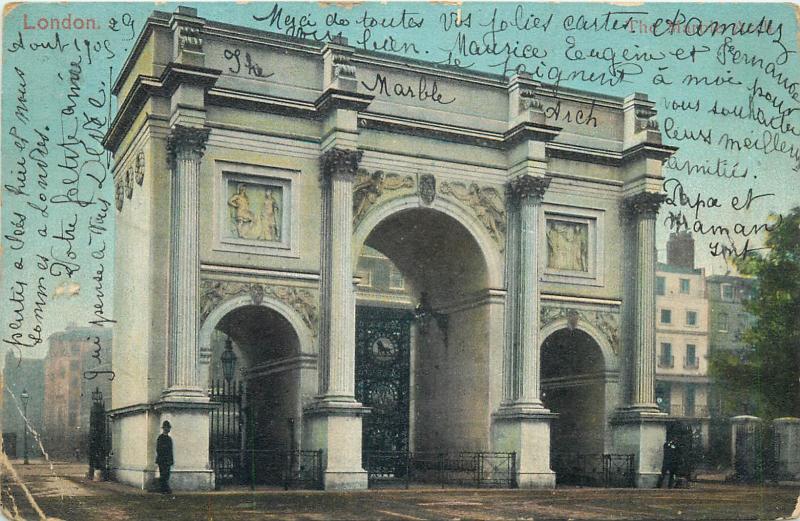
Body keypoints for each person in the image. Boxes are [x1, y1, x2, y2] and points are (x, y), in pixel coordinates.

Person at [155, 420, 174, 494]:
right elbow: (158, 449)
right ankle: (164, 489)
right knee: (163, 474)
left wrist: (171, 460)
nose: (168, 429)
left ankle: (165, 488)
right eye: (167, 428)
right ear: (164, 428)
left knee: (167, 475)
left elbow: (170, 450)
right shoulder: (160, 438)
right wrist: (163, 456)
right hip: (162, 460)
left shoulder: (169, 439)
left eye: (169, 428)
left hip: (168, 460)